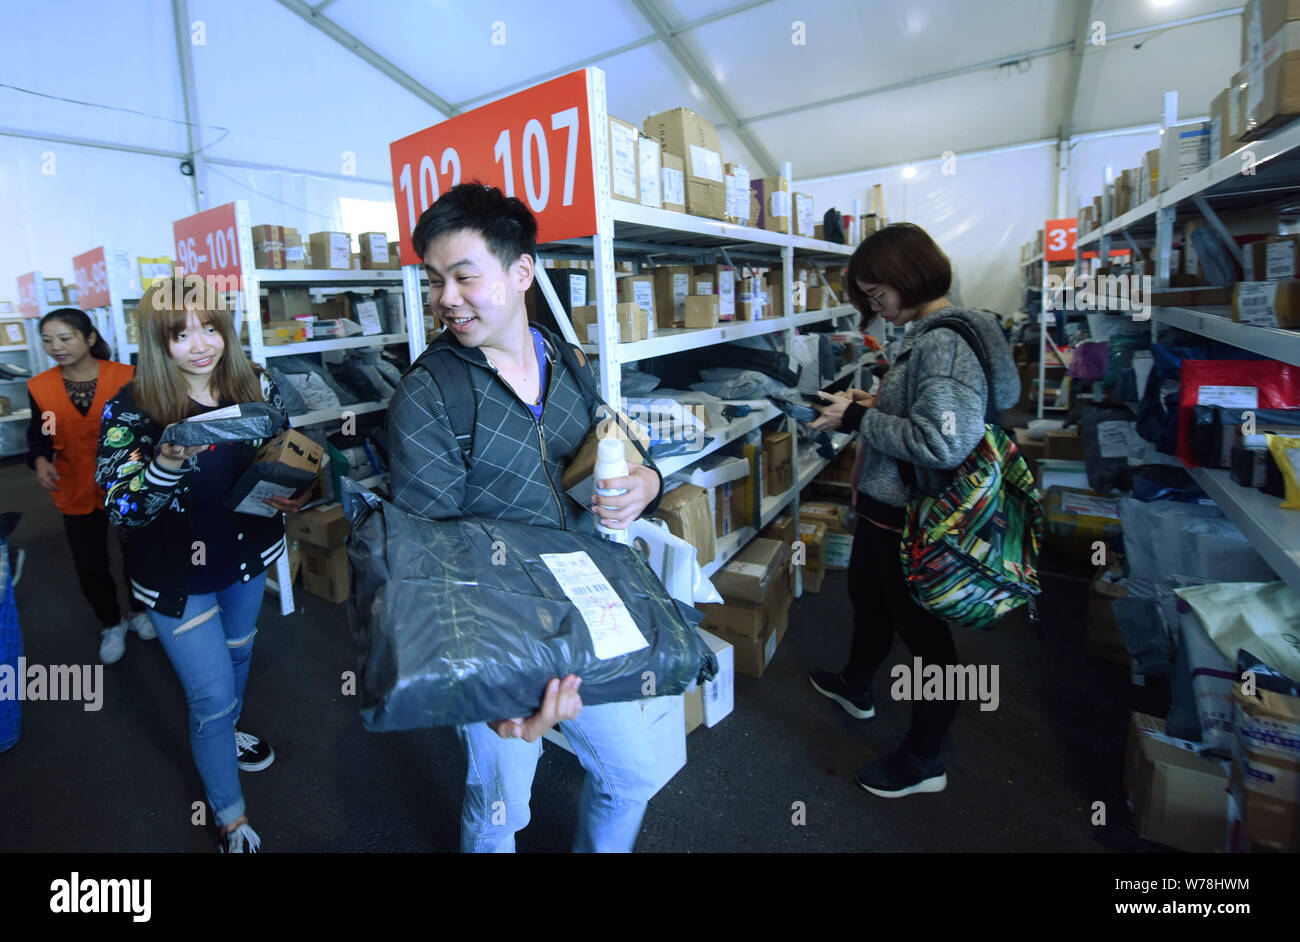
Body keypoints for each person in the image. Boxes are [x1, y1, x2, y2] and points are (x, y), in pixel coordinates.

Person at [387, 183, 665, 853]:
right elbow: (432, 555)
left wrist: (648, 482)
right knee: (500, 812)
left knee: (634, 774)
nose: (445, 298)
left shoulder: (563, 357)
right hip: (495, 632)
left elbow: (614, 438)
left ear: (520, 273)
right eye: (435, 280)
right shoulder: (430, 394)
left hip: (587, 605)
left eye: (463, 276)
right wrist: (501, 687)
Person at [95, 279, 309, 852]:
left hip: (246, 557)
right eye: (181, 333)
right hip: (174, 575)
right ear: (156, 340)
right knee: (210, 698)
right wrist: (166, 459)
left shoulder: (256, 383)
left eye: (210, 327)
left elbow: (281, 451)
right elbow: (123, 506)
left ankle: (227, 733)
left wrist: (294, 492)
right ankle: (230, 817)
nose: (200, 345)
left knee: (239, 655)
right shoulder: (132, 406)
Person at [809, 223, 1019, 798]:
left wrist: (855, 419)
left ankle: (926, 757)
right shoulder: (934, 334)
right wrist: (874, 402)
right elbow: (937, 413)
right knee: (869, 599)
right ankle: (856, 683)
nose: (875, 307)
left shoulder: (942, 343)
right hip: (888, 510)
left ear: (908, 278)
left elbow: (943, 441)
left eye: (878, 294)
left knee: (926, 641)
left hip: (912, 519)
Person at [27, 309, 146, 663]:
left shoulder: (126, 377)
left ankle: (140, 611)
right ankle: (111, 622)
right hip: (74, 484)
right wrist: (40, 459)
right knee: (89, 563)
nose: (56, 347)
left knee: (138, 554)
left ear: (89, 338)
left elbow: (145, 425)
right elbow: (44, 431)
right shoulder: (41, 387)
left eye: (65, 338)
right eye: (48, 340)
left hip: (126, 482)